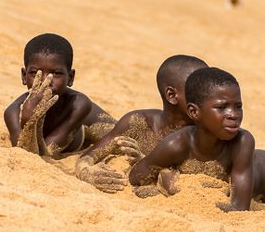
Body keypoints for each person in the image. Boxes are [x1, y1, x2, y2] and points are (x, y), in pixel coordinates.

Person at [128, 67, 265, 218]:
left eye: (238, 106)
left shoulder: (243, 141)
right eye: (221, 107)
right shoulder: (176, 145)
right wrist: (160, 183)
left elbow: (239, 207)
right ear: (194, 112)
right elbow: (136, 177)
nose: (232, 114)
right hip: (254, 190)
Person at [74, 54, 208, 193]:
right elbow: (88, 157)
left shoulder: (211, 132)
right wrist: (87, 173)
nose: (209, 95)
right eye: (198, 90)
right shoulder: (139, 123)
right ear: (172, 96)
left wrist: (146, 166)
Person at [4, 33, 115, 158]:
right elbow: (25, 154)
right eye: (35, 73)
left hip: (87, 123)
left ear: (70, 78)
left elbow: (48, 153)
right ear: (24, 76)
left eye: (56, 73)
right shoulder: (13, 112)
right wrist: (27, 121)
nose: (45, 82)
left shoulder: (78, 104)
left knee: (123, 135)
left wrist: (35, 120)